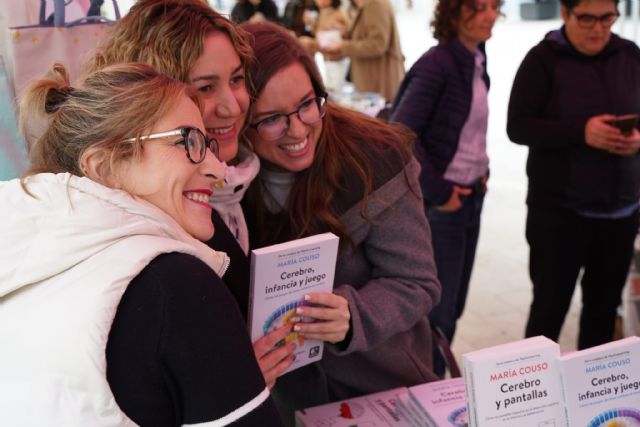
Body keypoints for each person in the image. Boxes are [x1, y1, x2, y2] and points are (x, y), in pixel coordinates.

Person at [0, 63, 283, 426]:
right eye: (188, 142)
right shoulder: (173, 282)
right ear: (105, 167)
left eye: (208, 143)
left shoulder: (26, 262)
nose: (218, 168)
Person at [86, 0, 296, 390]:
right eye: (204, 88)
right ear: (149, 94)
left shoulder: (238, 179)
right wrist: (229, 383)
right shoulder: (150, 226)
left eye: (236, 79)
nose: (232, 106)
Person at [240, 21, 441, 425]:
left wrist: (354, 314)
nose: (297, 129)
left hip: (378, 389)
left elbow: (418, 282)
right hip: (276, 400)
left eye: (307, 104)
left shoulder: (374, 159)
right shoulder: (224, 180)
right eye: (271, 119)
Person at [507, 0, 640, 349]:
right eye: (587, 19)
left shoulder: (630, 55)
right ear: (565, 13)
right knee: (548, 314)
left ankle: (592, 397)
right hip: (559, 215)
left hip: (620, 213)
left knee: (602, 314)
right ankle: (531, 398)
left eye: (607, 18)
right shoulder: (542, 60)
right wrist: (581, 132)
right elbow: (518, 128)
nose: (598, 28)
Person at [390, 0, 499, 377]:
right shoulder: (438, 63)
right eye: (478, 7)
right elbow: (400, 130)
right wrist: (439, 190)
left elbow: (467, 129)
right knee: (437, 316)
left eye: (494, 6)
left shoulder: (475, 58)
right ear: (453, 13)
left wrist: (480, 169)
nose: (490, 15)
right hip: (443, 206)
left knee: (453, 309)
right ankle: (428, 389)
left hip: (470, 196)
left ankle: (433, 385)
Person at [320, 0, 404, 100]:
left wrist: (343, 46)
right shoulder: (368, 4)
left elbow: (377, 44)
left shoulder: (375, 4)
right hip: (373, 81)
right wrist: (346, 32)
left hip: (379, 83)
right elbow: (367, 35)